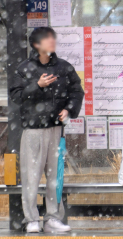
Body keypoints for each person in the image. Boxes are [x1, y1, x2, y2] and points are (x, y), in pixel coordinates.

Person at [9, 27, 84, 233]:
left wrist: (68, 109)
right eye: (47, 38)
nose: (52, 41)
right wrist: (37, 85)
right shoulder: (24, 68)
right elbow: (16, 95)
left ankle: (52, 218)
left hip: (56, 130)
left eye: (53, 38)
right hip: (33, 130)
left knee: (54, 177)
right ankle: (31, 219)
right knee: (31, 175)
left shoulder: (64, 67)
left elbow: (77, 91)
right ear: (36, 45)